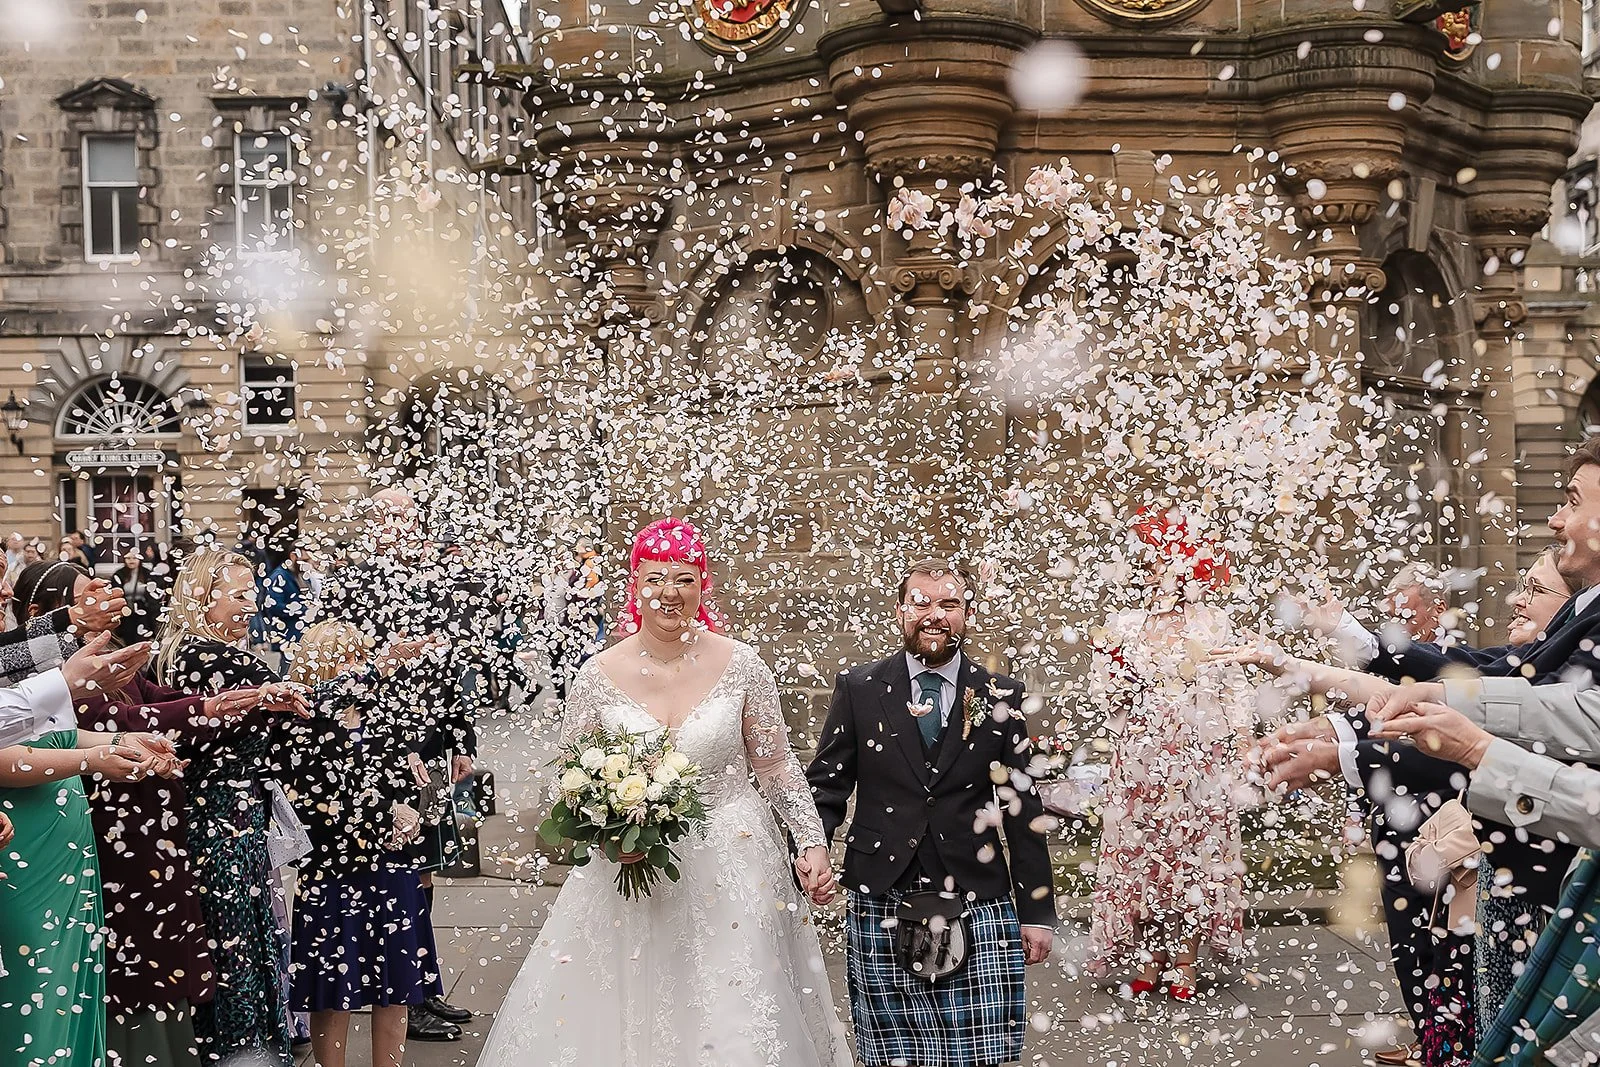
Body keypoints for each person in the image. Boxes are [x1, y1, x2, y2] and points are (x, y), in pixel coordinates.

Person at [476, 518, 850, 1067]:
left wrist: (811, 841)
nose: (669, 593)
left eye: (683, 578)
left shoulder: (742, 665)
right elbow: (570, 777)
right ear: (635, 585)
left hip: (732, 856)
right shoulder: (597, 674)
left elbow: (775, 766)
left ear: (703, 585)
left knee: (734, 1000)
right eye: (655, 579)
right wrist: (607, 835)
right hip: (630, 867)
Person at [807, 557, 1056, 1067]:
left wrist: (1037, 912)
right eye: (921, 602)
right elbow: (828, 786)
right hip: (882, 889)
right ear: (900, 611)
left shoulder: (999, 694)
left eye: (949, 603)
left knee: (979, 1052)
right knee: (893, 1054)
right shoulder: (859, 688)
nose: (934, 614)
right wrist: (814, 848)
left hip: (976, 892)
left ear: (968, 614)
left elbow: (1022, 808)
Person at [316, 488, 474, 1042]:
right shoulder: (350, 584)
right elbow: (330, 663)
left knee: (426, 869)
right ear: (373, 522)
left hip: (428, 745)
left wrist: (461, 739)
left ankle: (422, 988)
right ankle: (405, 992)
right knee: (394, 870)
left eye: (407, 516)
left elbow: (456, 667)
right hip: (377, 749)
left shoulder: (437, 582)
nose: (399, 525)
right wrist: (382, 665)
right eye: (388, 515)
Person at [152, 547, 311, 1066]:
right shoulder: (228, 661)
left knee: (210, 932)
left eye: (254, 592)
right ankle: (246, 1050)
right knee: (239, 935)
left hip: (189, 811)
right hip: (230, 817)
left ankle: (207, 1044)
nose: (252, 604)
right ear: (201, 596)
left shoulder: (169, 652)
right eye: (239, 594)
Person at [1087, 509, 1254, 999]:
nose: (1162, 567)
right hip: (1142, 756)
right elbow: (1102, 691)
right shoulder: (1125, 623)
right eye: (1156, 559)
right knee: (1143, 858)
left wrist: (1241, 741)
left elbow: (1236, 686)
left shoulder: (1213, 622)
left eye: (1174, 559)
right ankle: (1149, 953)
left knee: (1192, 856)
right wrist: (1117, 681)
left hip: (1199, 755)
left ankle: (1185, 959)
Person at [281, 620, 437, 1067]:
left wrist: (407, 812)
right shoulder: (304, 720)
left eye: (359, 656)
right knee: (333, 986)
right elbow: (315, 802)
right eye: (345, 657)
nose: (357, 666)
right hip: (334, 868)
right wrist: (383, 816)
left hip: (391, 862)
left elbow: (399, 777)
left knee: (398, 981)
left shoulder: (379, 712)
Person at [112, 547, 165, 644]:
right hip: (126, 609)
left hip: (143, 609)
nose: (131, 561)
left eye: (134, 558)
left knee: (141, 636)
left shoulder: (146, 574)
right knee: (128, 636)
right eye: (128, 558)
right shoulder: (120, 574)